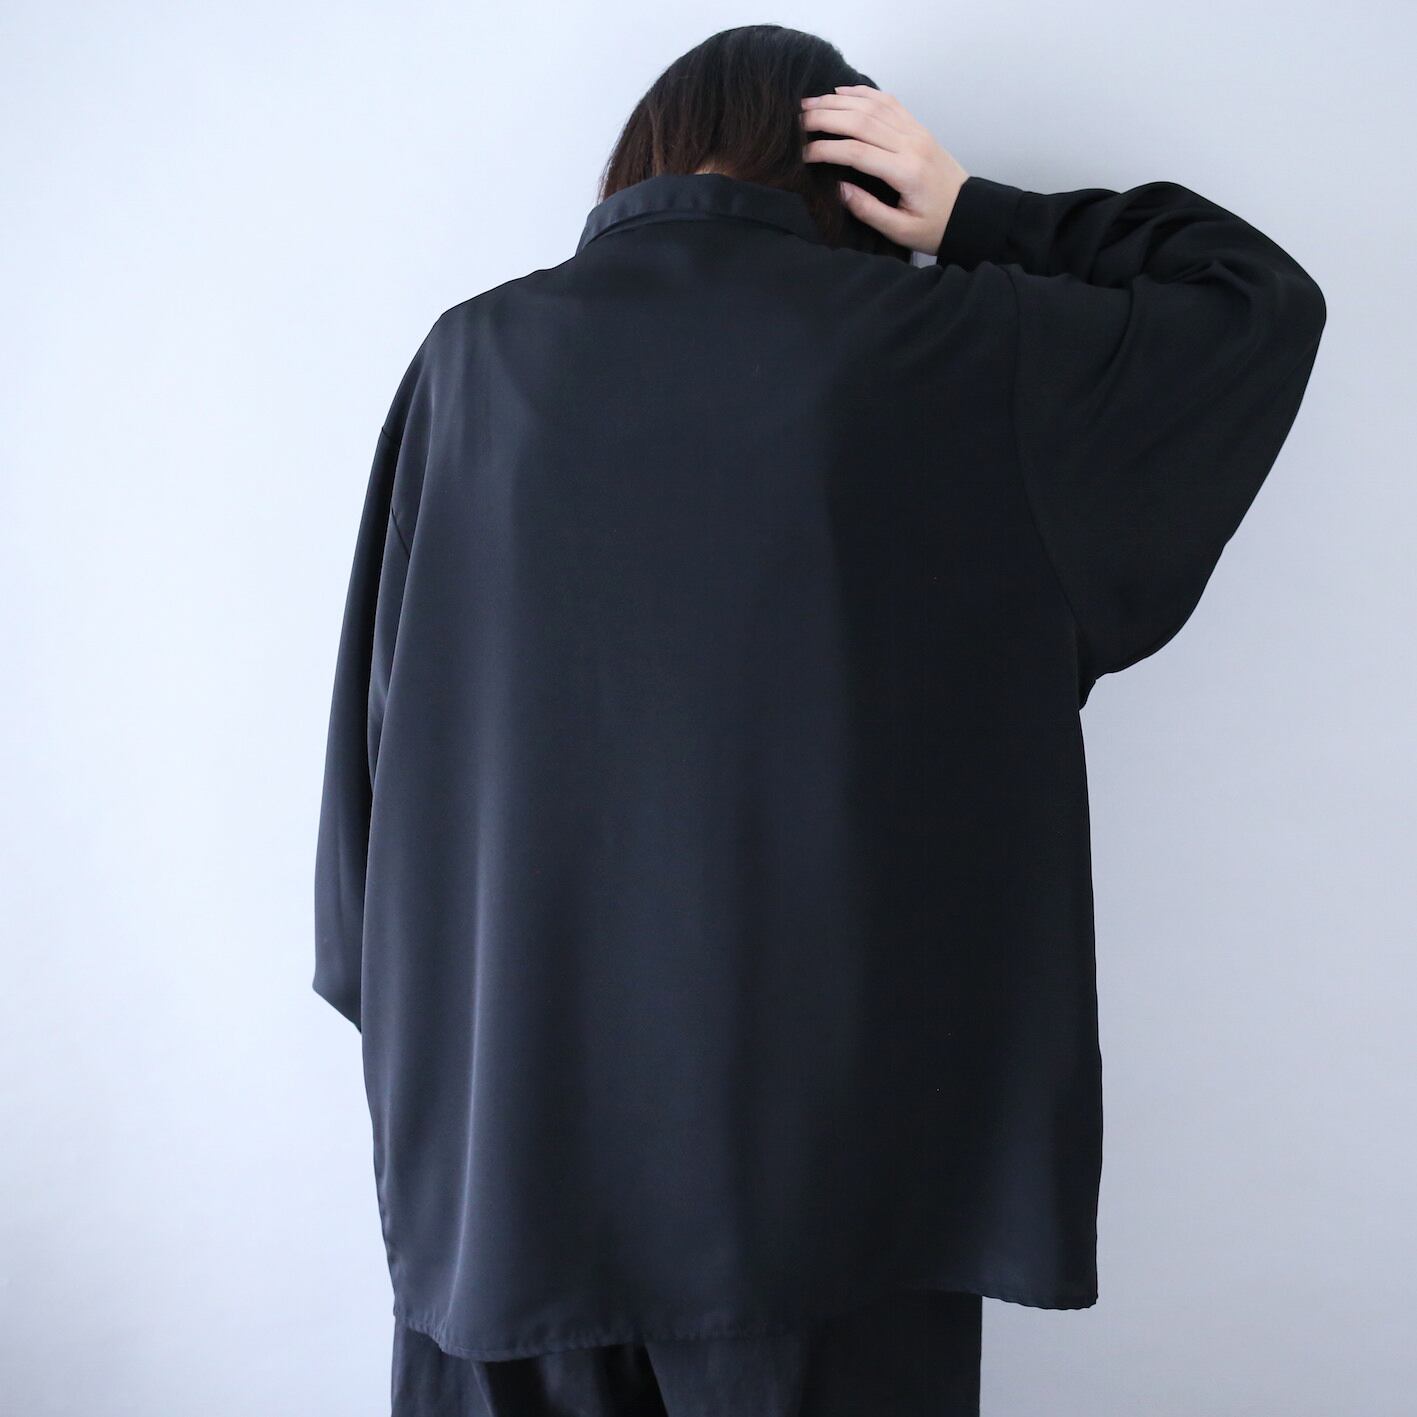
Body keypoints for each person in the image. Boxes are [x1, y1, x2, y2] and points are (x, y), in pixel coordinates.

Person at [312, 24, 1327, 1417]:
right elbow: (1252, 303)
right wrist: (978, 217)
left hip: (507, 1187)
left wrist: (426, 1042)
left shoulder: (471, 365)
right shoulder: (948, 353)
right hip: (830, 1211)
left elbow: (371, 778)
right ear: (850, 180)